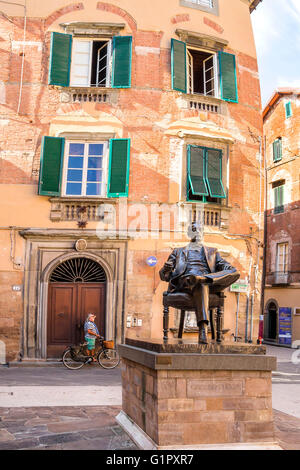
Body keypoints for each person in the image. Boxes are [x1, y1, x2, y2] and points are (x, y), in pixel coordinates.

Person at [159, 222, 240, 343]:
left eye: (200, 230)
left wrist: (207, 278)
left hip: (207, 283)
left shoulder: (213, 252)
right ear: (188, 233)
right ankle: (203, 328)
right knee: (200, 283)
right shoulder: (178, 252)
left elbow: (228, 269)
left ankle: (204, 279)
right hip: (185, 282)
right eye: (194, 230)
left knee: (235, 272)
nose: (197, 232)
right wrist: (166, 269)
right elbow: (164, 277)